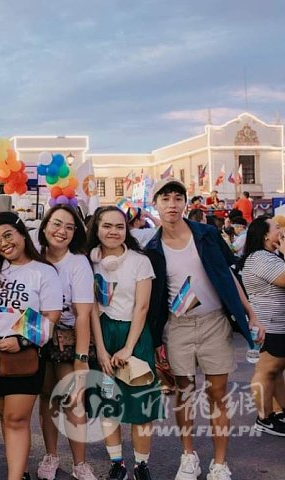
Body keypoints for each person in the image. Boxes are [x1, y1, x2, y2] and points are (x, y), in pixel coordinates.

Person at [144, 178, 263, 480]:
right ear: (155, 204)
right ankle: (188, 456)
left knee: (217, 395)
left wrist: (251, 314)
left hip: (214, 323)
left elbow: (228, 275)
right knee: (184, 393)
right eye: (165, 199)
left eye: (177, 198)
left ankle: (219, 463)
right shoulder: (152, 248)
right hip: (179, 326)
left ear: (184, 203)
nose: (172, 204)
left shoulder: (207, 234)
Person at [0, 212, 62, 480]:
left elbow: (52, 318)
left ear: (22, 234)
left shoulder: (43, 272)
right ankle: (21, 469)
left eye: (7, 235)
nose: (3, 243)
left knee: (16, 419)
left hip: (25, 356)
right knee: (6, 417)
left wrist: (22, 341)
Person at [86, 207, 162, 480]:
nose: (113, 232)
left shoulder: (140, 261)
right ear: (96, 228)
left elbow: (142, 307)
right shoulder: (88, 262)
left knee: (140, 406)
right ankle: (117, 463)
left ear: (126, 230)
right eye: (107, 226)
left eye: (119, 226)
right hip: (104, 334)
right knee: (110, 405)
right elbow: (91, 309)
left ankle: (142, 465)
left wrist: (129, 348)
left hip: (135, 335)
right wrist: (102, 350)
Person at [34, 205, 97, 480]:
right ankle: (51, 455)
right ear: (45, 225)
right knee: (47, 397)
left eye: (70, 227)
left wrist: (81, 359)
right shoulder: (33, 257)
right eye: (57, 224)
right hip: (37, 337)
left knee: (72, 400)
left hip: (68, 338)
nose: (62, 231)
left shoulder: (78, 263)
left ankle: (80, 463)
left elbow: (83, 314)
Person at [237, 216, 285, 436]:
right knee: (266, 371)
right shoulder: (261, 258)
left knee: (275, 371)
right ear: (266, 235)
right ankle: (264, 417)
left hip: (275, 324)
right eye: (277, 228)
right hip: (268, 324)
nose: (281, 231)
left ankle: (277, 412)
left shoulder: (269, 256)